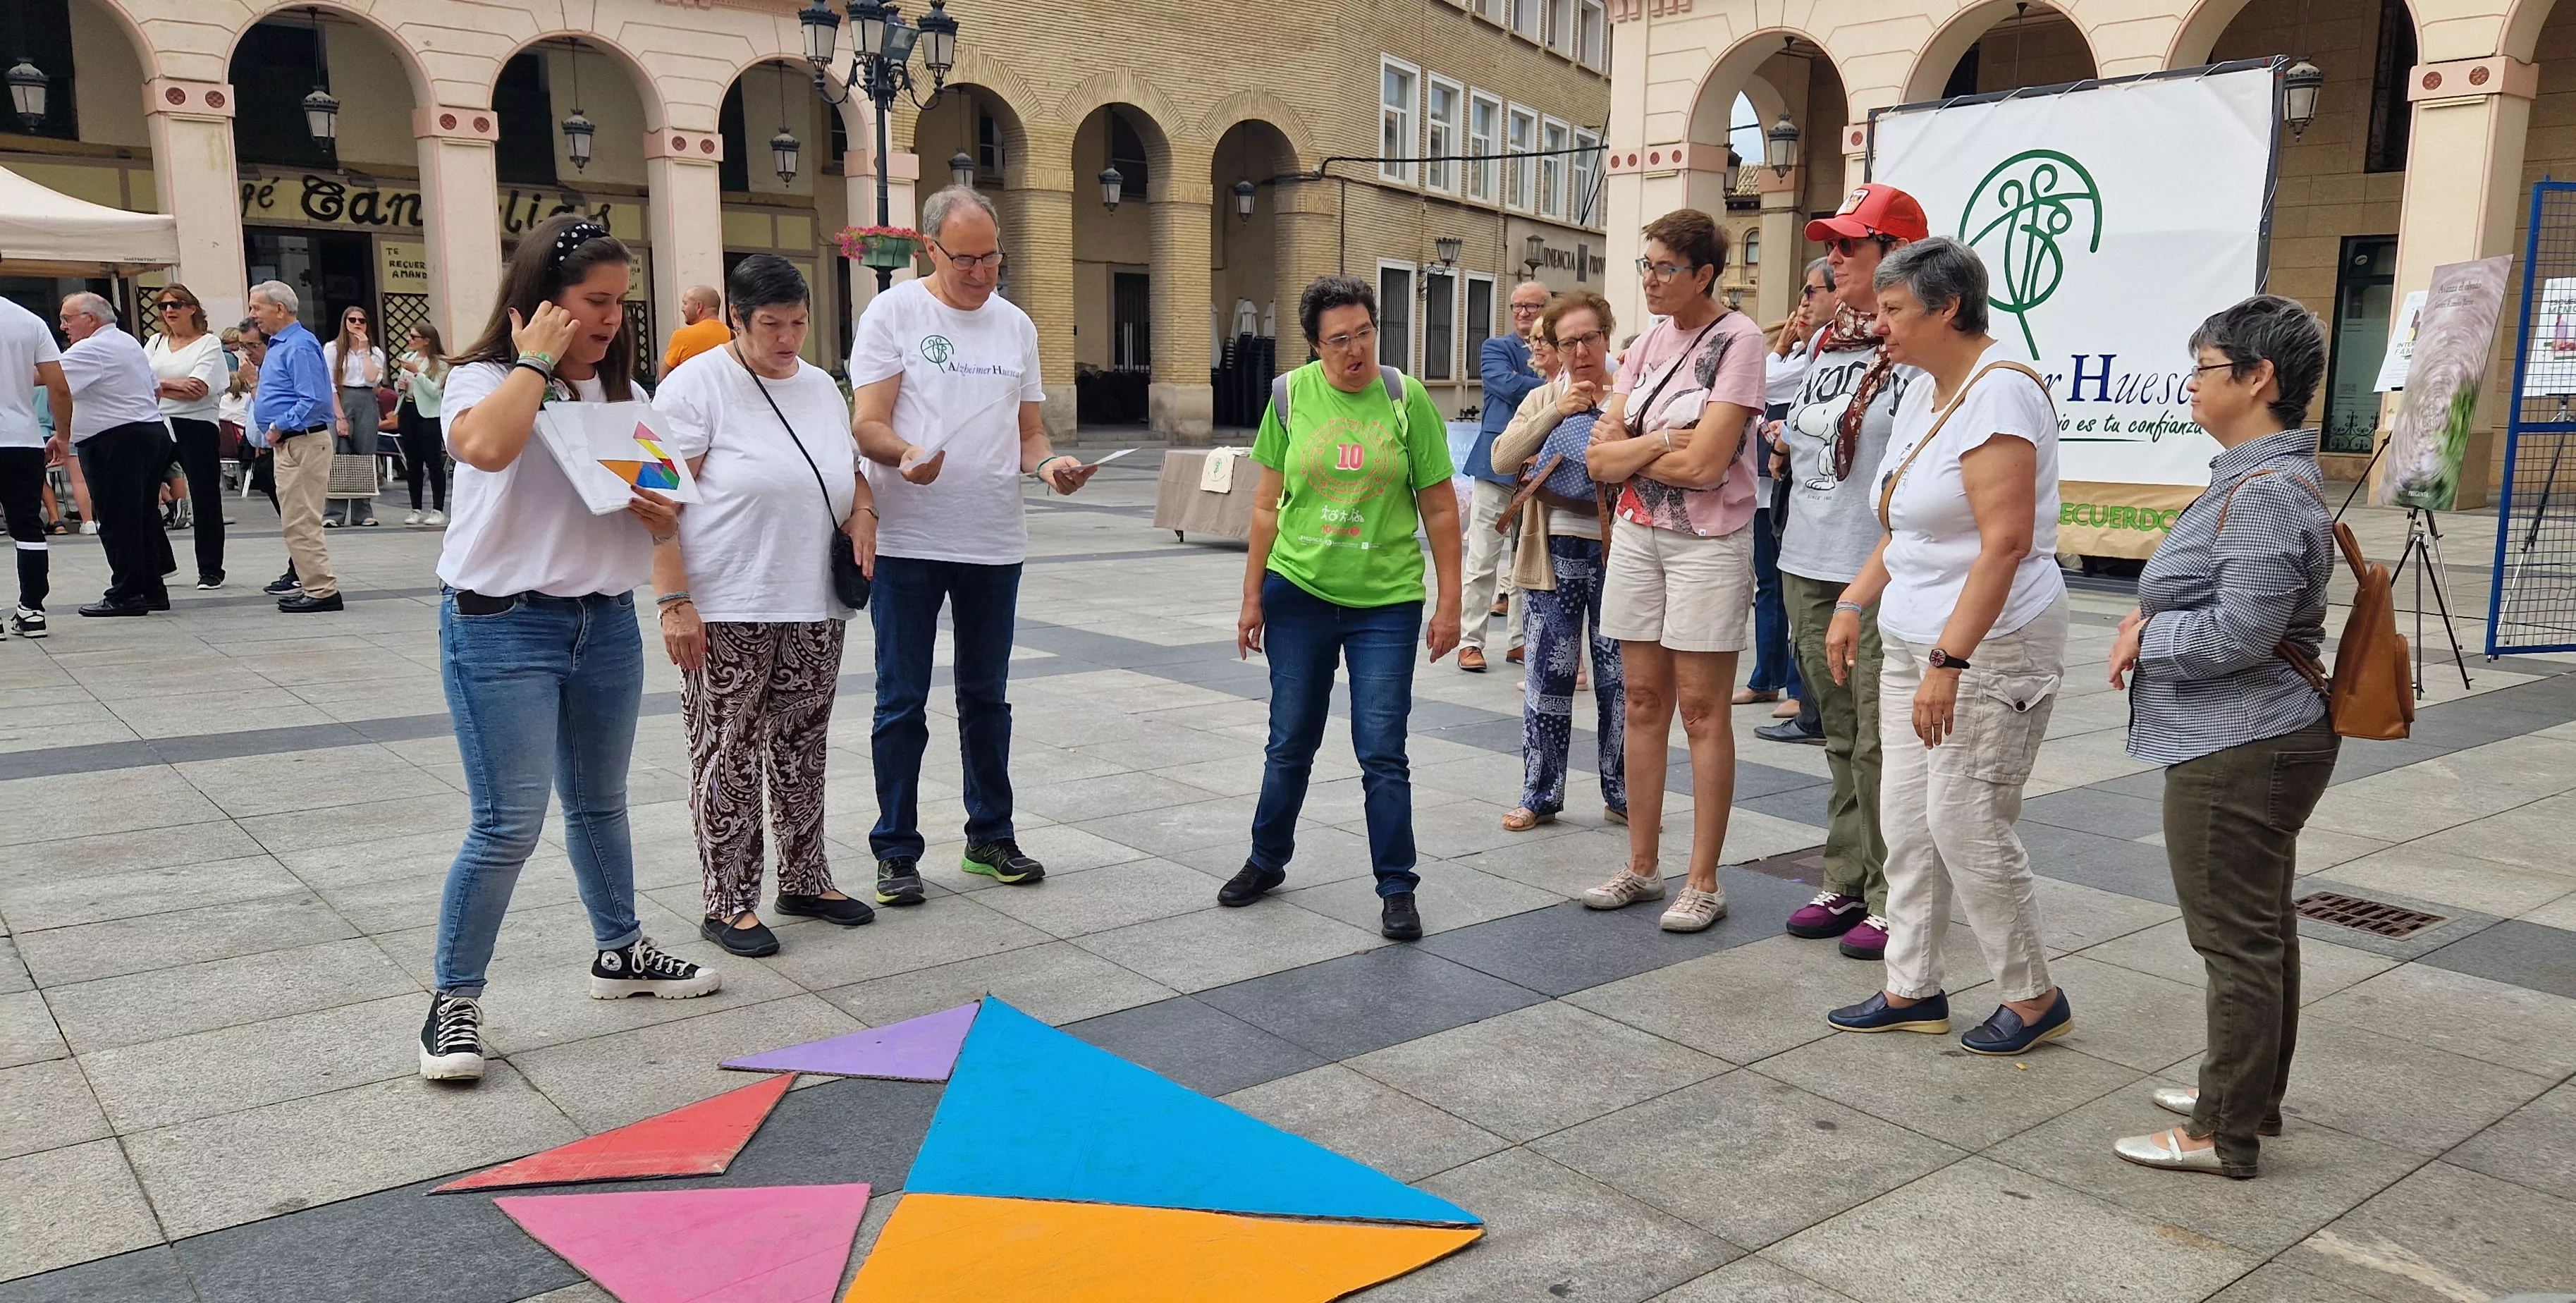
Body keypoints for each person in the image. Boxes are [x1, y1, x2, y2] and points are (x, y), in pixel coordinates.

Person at [417, 215, 718, 1084]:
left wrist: (663, 530)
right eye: (594, 301)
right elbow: (485, 448)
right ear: (542, 302)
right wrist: (536, 364)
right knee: (506, 824)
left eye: (621, 302)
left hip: (604, 622)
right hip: (501, 624)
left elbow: (663, 507)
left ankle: (620, 951)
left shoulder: (624, 395)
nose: (612, 318)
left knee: (598, 804)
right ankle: (453, 1000)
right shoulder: (484, 378)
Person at [1822, 236, 2073, 1056]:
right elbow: (1907, 525)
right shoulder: (1928, 391)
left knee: (1966, 823)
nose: (1879, 325)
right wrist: (1855, 601)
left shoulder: (1999, 394)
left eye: (1894, 310)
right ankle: (1912, 986)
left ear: (1949, 308)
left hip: (1990, 644)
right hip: (1913, 635)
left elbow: (2005, 544)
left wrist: (1949, 662)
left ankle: (2033, 997)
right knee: (1906, 820)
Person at [2108, 296, 2338, 1179]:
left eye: (2204, 368)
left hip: (2241, 741)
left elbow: (2239, 633)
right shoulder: (2258, 478)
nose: (2191, 385)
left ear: (2258, 378)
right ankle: (2248, 1100)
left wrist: (2146, 636)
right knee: (2262, 929)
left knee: (2236, 940)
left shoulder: (2267, 491)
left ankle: (2222, 1133)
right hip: (2255, 732)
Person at [850, 186, 1098, 906]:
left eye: (992, 257)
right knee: (902, 698)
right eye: (965, 259)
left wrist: (1050, 467)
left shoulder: (1016, 326)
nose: (982, 272)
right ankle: (896, 849)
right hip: (909, 538)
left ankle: (990, 835)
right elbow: (866, 424)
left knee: (986, 697)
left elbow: (1029, 434)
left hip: (992, 538)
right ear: (930, 248)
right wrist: (905, 453)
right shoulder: (893, 313)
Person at [1222, 274, 1461, 941]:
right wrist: (1251, 596)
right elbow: (1266, 505)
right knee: (1289, 740)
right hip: (1297, 592)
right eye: (1338, 341)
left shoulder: (1405, 398)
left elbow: (1441, 508)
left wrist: (1450, 604)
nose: (1355, 350)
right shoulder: (1289, 396)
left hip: (1386, 602)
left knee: (1383, 750)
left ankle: (1397, 886)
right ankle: (1266, 860)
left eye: (1364, 334)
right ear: (1313, 345)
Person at [653, 255, 877, 958]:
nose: (788, 339)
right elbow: (653, 497)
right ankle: (727, 900)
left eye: (799, 323)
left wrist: (864, 511)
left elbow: (850, 470)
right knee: (728, 751)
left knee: (802, 746)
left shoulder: (820, 387)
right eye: (772, 325)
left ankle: (805, 878)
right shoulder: (693, 386)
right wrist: (673, 600)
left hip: (812, 599)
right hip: (726, 601)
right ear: (737, 321)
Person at [1578, 209, 1766, 934]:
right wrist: (1660, 441)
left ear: (1704, 274)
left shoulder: (1739, 340)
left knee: (1702, 710)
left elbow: (1708, 465)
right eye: (1646, 266)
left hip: (1709, 541)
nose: (1651, 280)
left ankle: (1704, 881)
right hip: (1638, 533)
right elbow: (1598, 459)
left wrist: (1636, 450)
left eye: (1665, 268)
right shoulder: (1647, 342)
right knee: (1642, 700)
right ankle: (1642, 865)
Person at [1775, 190, 1931, 958]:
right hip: (1806, 557)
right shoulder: (1825, 344)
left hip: (1875, 569)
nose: (1832, 260)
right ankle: (1846, 874)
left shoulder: (1918, 355)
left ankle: (1891, 894)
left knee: (1879, 740)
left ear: (1896, 255)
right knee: (1839, 733)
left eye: (1849, 246)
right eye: (1830, 246)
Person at [1492, 290, 1624, 833]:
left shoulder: (1634, 393)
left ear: (1606, 337)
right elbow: (1502, 457)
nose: (1580, 351)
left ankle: (1623, 793)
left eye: (1589, 338)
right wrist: (1556, 411)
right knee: (1548, 676)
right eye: (1568, 343)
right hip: (1553, 549)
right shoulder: (1545, 395)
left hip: (1622, 553)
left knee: (1621, 679)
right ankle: (1540, 795)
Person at [58, 293, 176, 618]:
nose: (63, 326)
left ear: (91, 318)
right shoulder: (127, 342)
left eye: (68, 319)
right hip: (147, 431)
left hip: (116, 438)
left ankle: (127, 593)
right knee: (142, 516)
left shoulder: (90, 348)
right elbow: (156, 390)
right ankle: (151, 589)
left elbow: (49, 378)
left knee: (117, 518)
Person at [1459, 281, 1550, 672]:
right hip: (1495, 469)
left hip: (1539, 472)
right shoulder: (1496, 348)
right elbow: (1505, 385)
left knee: (1524, 565)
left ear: (1547, 309)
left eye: (1533, 306)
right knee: (1482, 561)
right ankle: (1470, 642)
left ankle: (1519, 643)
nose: (1524, 313)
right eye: (1518, 306)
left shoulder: (1557, 349)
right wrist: (1552, 387)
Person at [1742, 293, 1817, 723]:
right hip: (1763, 486)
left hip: (1793, 486)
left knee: (1795, 589)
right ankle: (1765, 678)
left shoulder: (1818, 357)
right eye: (1801, 299)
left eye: (1813, 296)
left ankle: (1797, 687)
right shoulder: (1791, 355)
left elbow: (1763, 382)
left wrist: (1781, 349)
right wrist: (1782, 347)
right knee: (1768, 586)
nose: (1803, 308)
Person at [247, 283, 341, 612]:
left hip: (302, 441)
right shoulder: (280, 344)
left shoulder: (299, 345)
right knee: (295, 520)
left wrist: (278, 425)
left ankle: (321, 590)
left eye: (257, 307)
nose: (252, 315)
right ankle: (313, 585)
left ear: (280, 308)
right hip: (291, 443)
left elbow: (314, 398)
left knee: (301, 520)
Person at [146, 284, 230, 589]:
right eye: (163, 306)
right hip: (158, 421)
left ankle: (211, 568)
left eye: (176, 304)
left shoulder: (209, 343)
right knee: (141, 491)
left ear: (192, 308)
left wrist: (159, 385)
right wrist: (176, 385)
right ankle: (161, 562)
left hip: (197, 424)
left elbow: (198, 390)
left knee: (206, 496)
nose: (169, 310)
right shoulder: (155, 342)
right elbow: (139, 382)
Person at [1, 295, 68, 639]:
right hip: (22, 438)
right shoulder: (27, 320)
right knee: (28, 526)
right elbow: (58, 385)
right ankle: (32, 610)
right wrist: (63, 434)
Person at [326, 306, 385, 527]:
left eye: (362, 320)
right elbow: (329, 384)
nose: (357, 324)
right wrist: (339, 416)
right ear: (345, 322)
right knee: (340, 453)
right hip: (341, 398)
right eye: (352, 320)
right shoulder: (332, 349)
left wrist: (363, 350)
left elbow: (372, 379)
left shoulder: (375, 353)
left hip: (366, 399)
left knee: (365, 454)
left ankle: (363, 511)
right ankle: (334, 512)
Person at [395, 325, 450, 525]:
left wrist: (418, 373)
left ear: (427, 340)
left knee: (433, 462)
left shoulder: (440, 363)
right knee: (413, 462)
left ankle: (438, 509)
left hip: (428, 415)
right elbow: (401, 384)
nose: (409, 340)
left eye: (414, 337)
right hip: (408, 410)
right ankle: (415, 509)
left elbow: (435, 391)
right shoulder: (407, 358)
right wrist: (400, 386)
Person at [664, 285, 731, 373]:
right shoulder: (733, 337)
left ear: (699, 306)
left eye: (685, 303)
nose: (682, 309)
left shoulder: (682, 337)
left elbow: (663, 377)